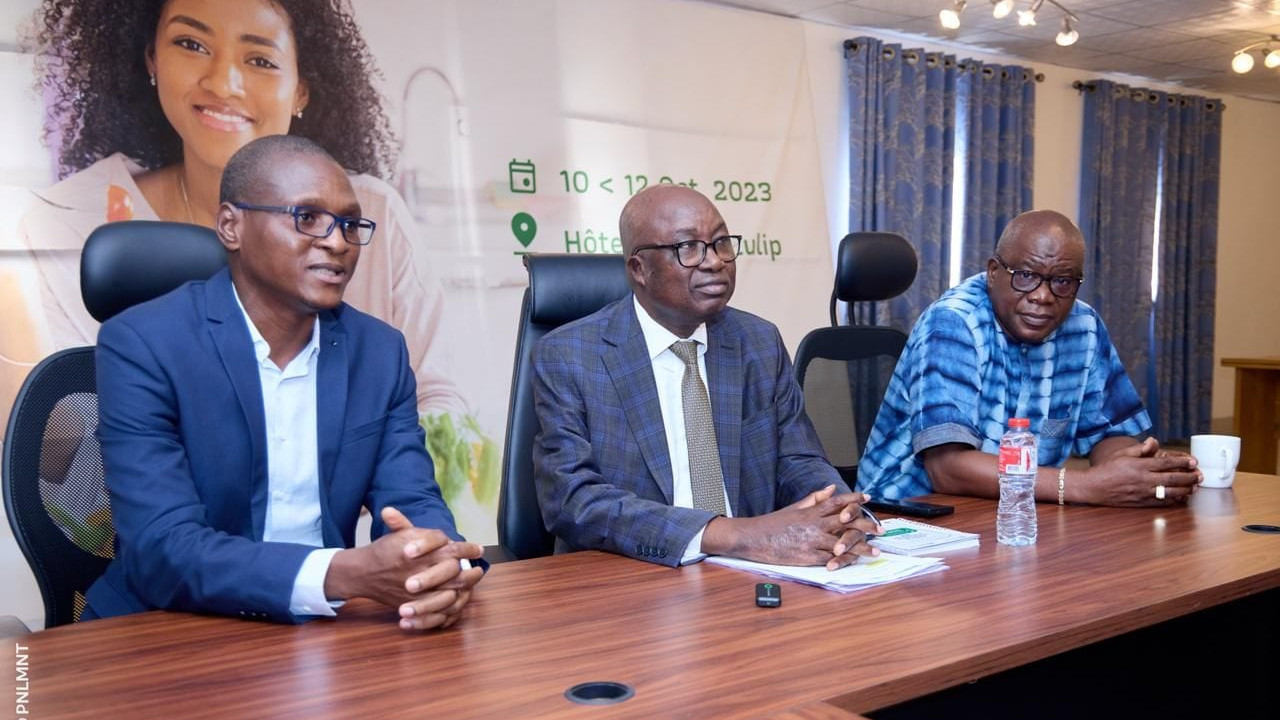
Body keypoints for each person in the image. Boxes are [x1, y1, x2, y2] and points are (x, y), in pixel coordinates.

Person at [86, 135, 483, 629]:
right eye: (307, 217)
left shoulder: (379, 351)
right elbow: (162, 548)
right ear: (231, 226)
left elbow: (413, 499)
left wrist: (439, 569)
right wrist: (342, 574)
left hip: (326, 629)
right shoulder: (143, 343)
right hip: (164, 628)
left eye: (349, 224)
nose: (337, 242)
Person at [20, 0, 466, 417]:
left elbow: (438, 403)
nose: (222, 83)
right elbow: (64, 445)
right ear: (152, 58)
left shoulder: (372, 219)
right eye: (191, 44)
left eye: (261, 60)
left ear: (301, 89)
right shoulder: (68, 224)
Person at [532, 185, 879, 569]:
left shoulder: (758, 341)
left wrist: (838, 516)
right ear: (639, 269)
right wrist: (735, 535)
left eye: (720, 243)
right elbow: (573, 500)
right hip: (632, 572)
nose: (714, 261)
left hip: (751, 569)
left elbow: (798, 460)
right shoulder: (570, 355)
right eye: (688, 248)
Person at [857, 210, 1202, 507]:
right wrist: (1085, 486)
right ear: (994, 272)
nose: (1043, 296)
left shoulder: (1084, 326)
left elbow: (1108, 433)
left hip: (1020, 510)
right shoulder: (954, 322)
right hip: (909, 514)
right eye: (1026, 276)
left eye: (1062, 281)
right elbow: (947, 469)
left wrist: (1133, 471)